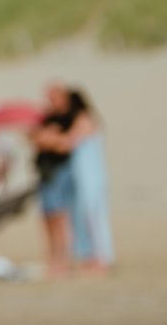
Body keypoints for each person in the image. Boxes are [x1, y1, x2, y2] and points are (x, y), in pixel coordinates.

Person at [30, 84, 109, 275]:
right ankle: (87, 257)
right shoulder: (53, 118)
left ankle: (100, 259)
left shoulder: (82, 119)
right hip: (77, 177)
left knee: (91, 215)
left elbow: (66, 143)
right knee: (78, 216)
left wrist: (49, 139)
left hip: (90, 177)